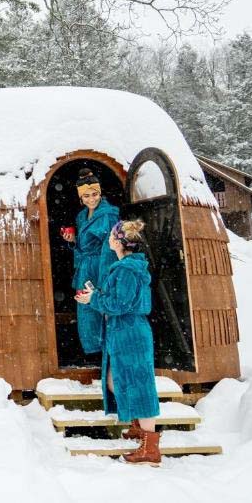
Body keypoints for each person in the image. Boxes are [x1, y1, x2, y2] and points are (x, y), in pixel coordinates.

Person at [75, 219, 161, 466]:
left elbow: (118, 305)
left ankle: (150, 448)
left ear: (118, 242)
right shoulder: (124, 267)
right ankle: (140, 428)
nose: (109, 239)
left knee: (140, 385)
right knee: (116, 380)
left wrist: (94, 299)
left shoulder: (126, 270)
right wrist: (96, 296)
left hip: (130, 333)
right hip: (124, 331)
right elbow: (116, 300)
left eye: (113, 236)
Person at [62, 168, 119, 355]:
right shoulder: (81, 216)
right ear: (81, 197)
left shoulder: (108, 215)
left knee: (100, 305)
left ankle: (106, 352)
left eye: (94, 194)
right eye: (86, 196)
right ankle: (93, 351)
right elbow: (82, 246)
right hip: (85, 268)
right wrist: (72, 241)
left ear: (100, 193)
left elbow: (110, 246)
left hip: (101, 265)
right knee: (86, 310)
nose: (91, 199)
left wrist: (106, 276)